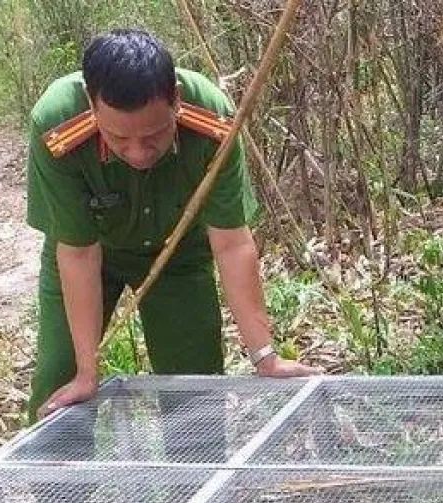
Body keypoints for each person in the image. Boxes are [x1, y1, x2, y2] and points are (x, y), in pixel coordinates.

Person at [25, 28, 316, 420]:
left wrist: (265, 355)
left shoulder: (212, 118)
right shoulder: (57, 124)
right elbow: (78, 252)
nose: (139, 153)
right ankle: (58, 482)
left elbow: (231, 243)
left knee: (196, 393)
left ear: (176, 100)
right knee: (59, 384)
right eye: (119, 138)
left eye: (154, 135)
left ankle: (197, 480)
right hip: (89, 254)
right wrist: (86, 371)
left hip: (178, 255)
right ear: (93, 109)